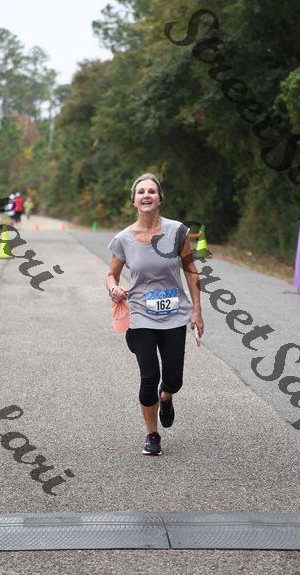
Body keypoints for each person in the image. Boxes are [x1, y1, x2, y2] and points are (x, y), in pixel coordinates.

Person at [106, 173, 204, 456]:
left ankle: (167, 395)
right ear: (134, 200)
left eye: (151, 191)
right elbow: (111, 275)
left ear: (160, 198)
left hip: (174, 315)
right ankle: (152, 434)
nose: (146, 195)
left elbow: (191, 271)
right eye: (141, 192)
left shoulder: (177, 232)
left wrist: (197, 311)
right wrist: (114, 289)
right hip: (139, 315)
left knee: (173, 379)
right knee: (149, 376)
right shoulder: (123, 239)